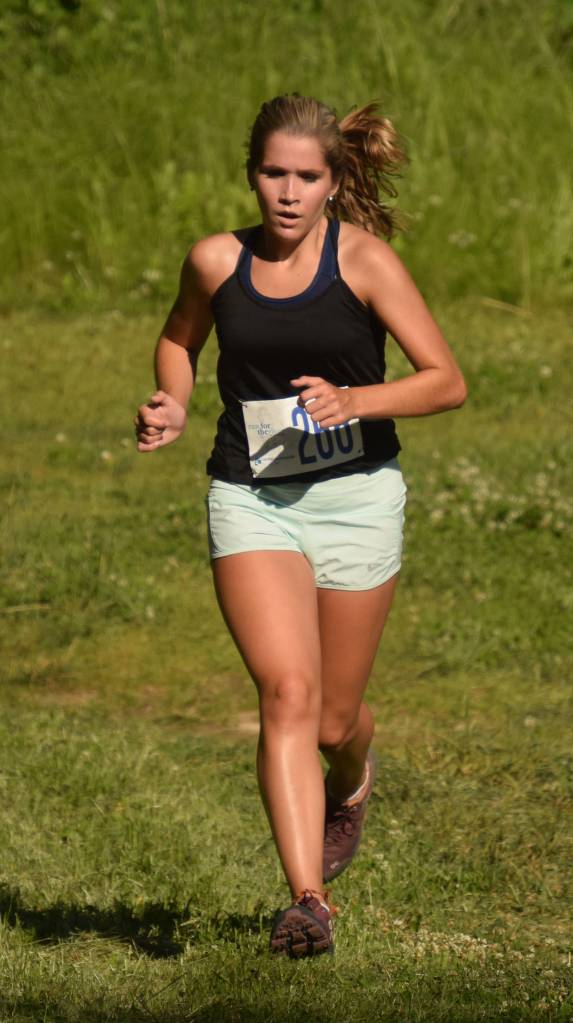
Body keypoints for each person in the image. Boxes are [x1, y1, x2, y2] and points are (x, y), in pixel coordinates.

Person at [135, 93, 467, 959]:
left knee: (330, 718)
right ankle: (309, 903)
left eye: (306, 176)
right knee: (285, 693)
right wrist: (171, 399)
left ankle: (352, 778)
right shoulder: (214, 259)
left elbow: (444, 381)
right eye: (273, 173)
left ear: (333, 180)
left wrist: (356, 399)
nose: (287, 192)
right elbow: (179, 339)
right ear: (251, 174)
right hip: (249, 495)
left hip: (356, 497)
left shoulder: (364, 263)